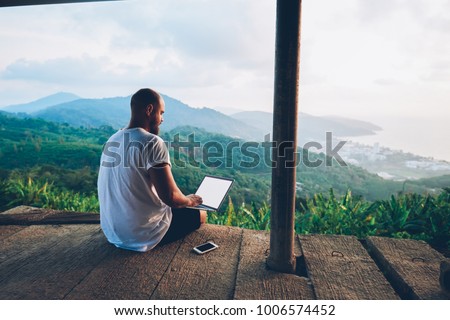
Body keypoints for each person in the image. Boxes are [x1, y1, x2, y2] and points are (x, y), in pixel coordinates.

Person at [97, 88, 206, 252]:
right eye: (161, 113)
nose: (162, 119)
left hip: (113, 233)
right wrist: (190, 200)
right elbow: (171, 198)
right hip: (141, 235)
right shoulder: (152, 142)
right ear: (149, 110)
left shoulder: (112, 140)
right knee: (201, 214)